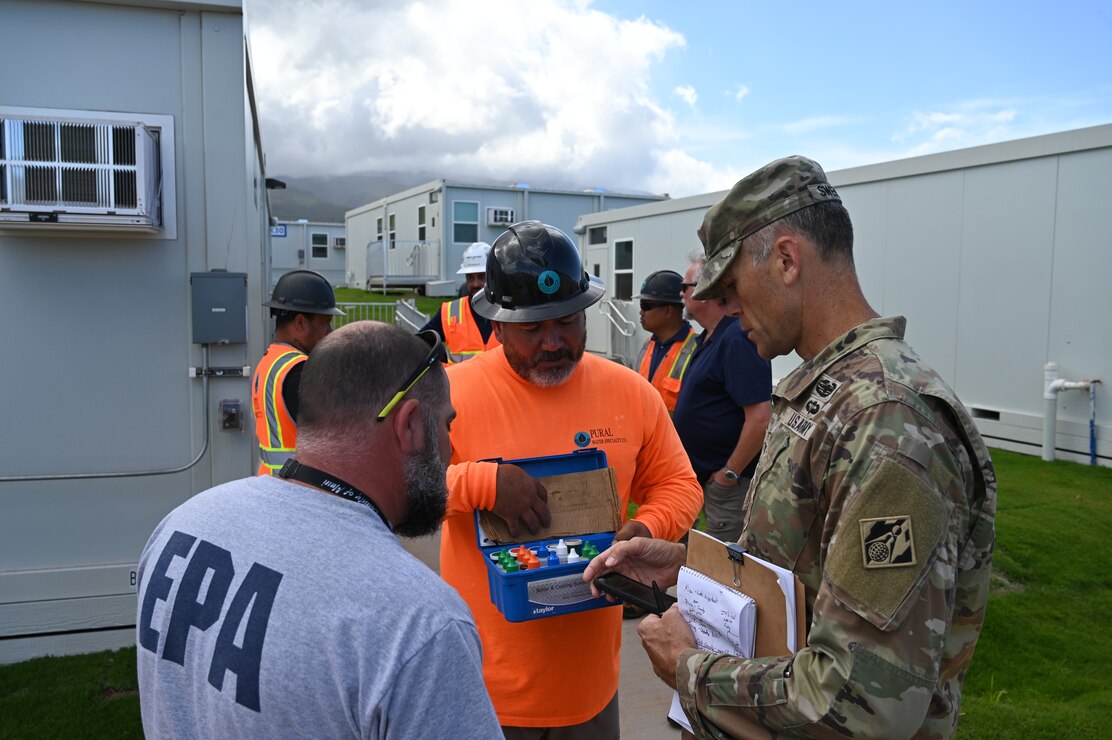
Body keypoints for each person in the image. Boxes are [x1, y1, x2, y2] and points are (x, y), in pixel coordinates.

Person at [584, 156, 997, 739]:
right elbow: (801, 579)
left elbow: (862, 702)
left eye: (731, 288)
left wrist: (690, 671)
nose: (725, 309)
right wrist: (686, 568)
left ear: (785, 260)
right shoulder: (828, 392)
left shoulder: (888, 422)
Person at [137, 322, 501, 739]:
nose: (450, 447)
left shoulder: (181, 527)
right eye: (447, 425)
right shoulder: (420, 623)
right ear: (411, 425)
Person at [440, 220, 703, 737]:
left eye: (566, 321)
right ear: (496, 325)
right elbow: (403, 496)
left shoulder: (630, 395)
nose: (553, 342)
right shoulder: (450, 396)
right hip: (482, 689)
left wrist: (645, 528)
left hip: (588, 694)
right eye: (532, 328)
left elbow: (679, 485)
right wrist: (484, 485)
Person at [672, 255, 772, 543]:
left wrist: (729, 474)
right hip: (702, 480)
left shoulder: (737, 338)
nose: (680, 293)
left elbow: (761, 417)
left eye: (685, 286)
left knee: (727, 572)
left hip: (727, 485)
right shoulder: (710, 336)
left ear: (706, 291)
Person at [251, 269, 343, 475]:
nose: (330, 332)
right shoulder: (298, 370)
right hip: (296, 487)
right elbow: (336, 432)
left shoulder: (270, 361)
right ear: (300, 322)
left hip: (273, 482)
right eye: (326, 323)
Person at [420, 241, 500, 362]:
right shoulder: (450, 312)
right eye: (470, 277)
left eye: (481, 276)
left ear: (492, 276)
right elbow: (419, 344)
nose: (475, 284)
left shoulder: (508, 310)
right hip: (458, 381)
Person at [632, 269, 699, 413]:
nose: (641, 312)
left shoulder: (697, 348)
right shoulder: (648, 345)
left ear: (668, 311)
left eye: (646, 305)